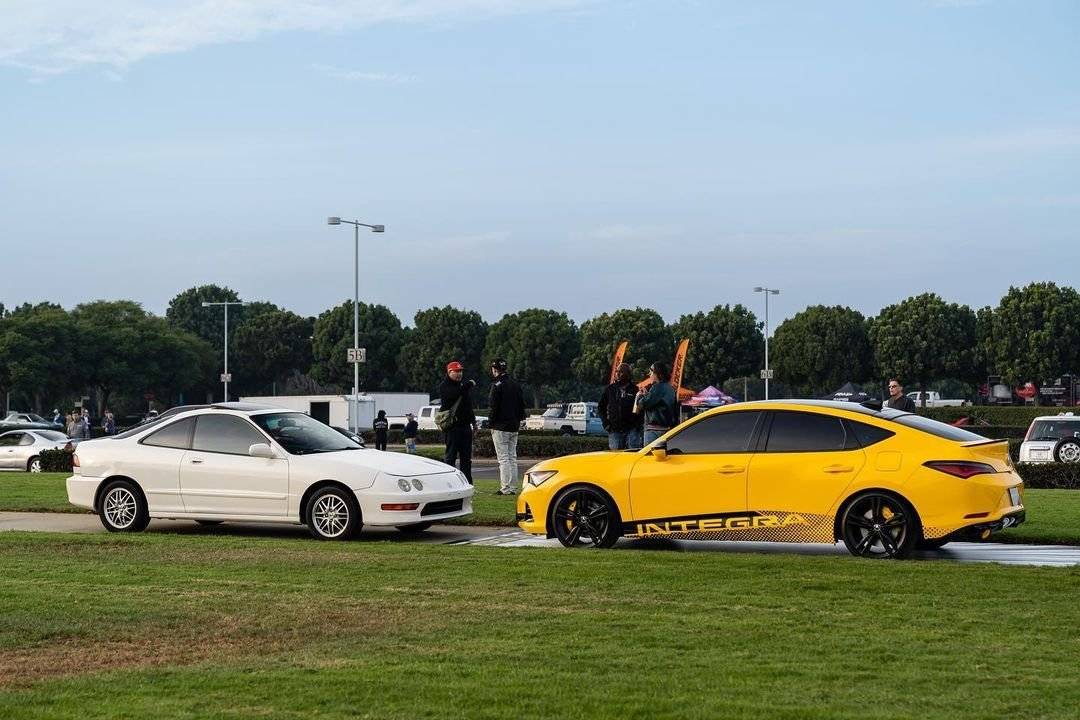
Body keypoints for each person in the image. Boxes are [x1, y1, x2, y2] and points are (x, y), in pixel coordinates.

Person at [488, 358, 527, 495]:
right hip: (513, 425)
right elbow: (521, 406)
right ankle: (513, 487)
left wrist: (491, 423)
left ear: (495, 370)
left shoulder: (497, 385)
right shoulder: (515, 384)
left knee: (503, 459)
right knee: (512, 457)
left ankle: (505, 488)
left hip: (500, 426)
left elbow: (493, 407)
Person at [439, 360, 477, 484]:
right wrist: (468, 385)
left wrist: (474, 422)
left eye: (461, 371)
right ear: (449, 372)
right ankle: (449, 482)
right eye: (457, 371)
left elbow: (468, 406)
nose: (459, 374)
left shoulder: (462, 386)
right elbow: (453, 395)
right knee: (450, 457)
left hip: (465, 427)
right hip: (453, 428)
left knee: (466, 458)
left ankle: (467, 483)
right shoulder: (445, 386)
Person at [598, 362, 642, 450]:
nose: (617, 374)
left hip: (632, 429)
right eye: (617, 371)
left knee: (632, 455)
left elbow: (640, 409)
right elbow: (600, 407)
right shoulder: (610, 389)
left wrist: (638, 425)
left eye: (621, 372)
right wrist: (605, 423)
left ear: (628, 374)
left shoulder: (635, 389)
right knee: (616, 457)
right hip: (615, 430)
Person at [635, 361, 678, 445]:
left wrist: (640, 396)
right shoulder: (671, 388)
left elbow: (643, 404)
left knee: (650, 457)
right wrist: (647, 395)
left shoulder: (657, 387)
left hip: (654, 431)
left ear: (658, 374)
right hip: (667, 430)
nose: (649, 374)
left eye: (651, 372)